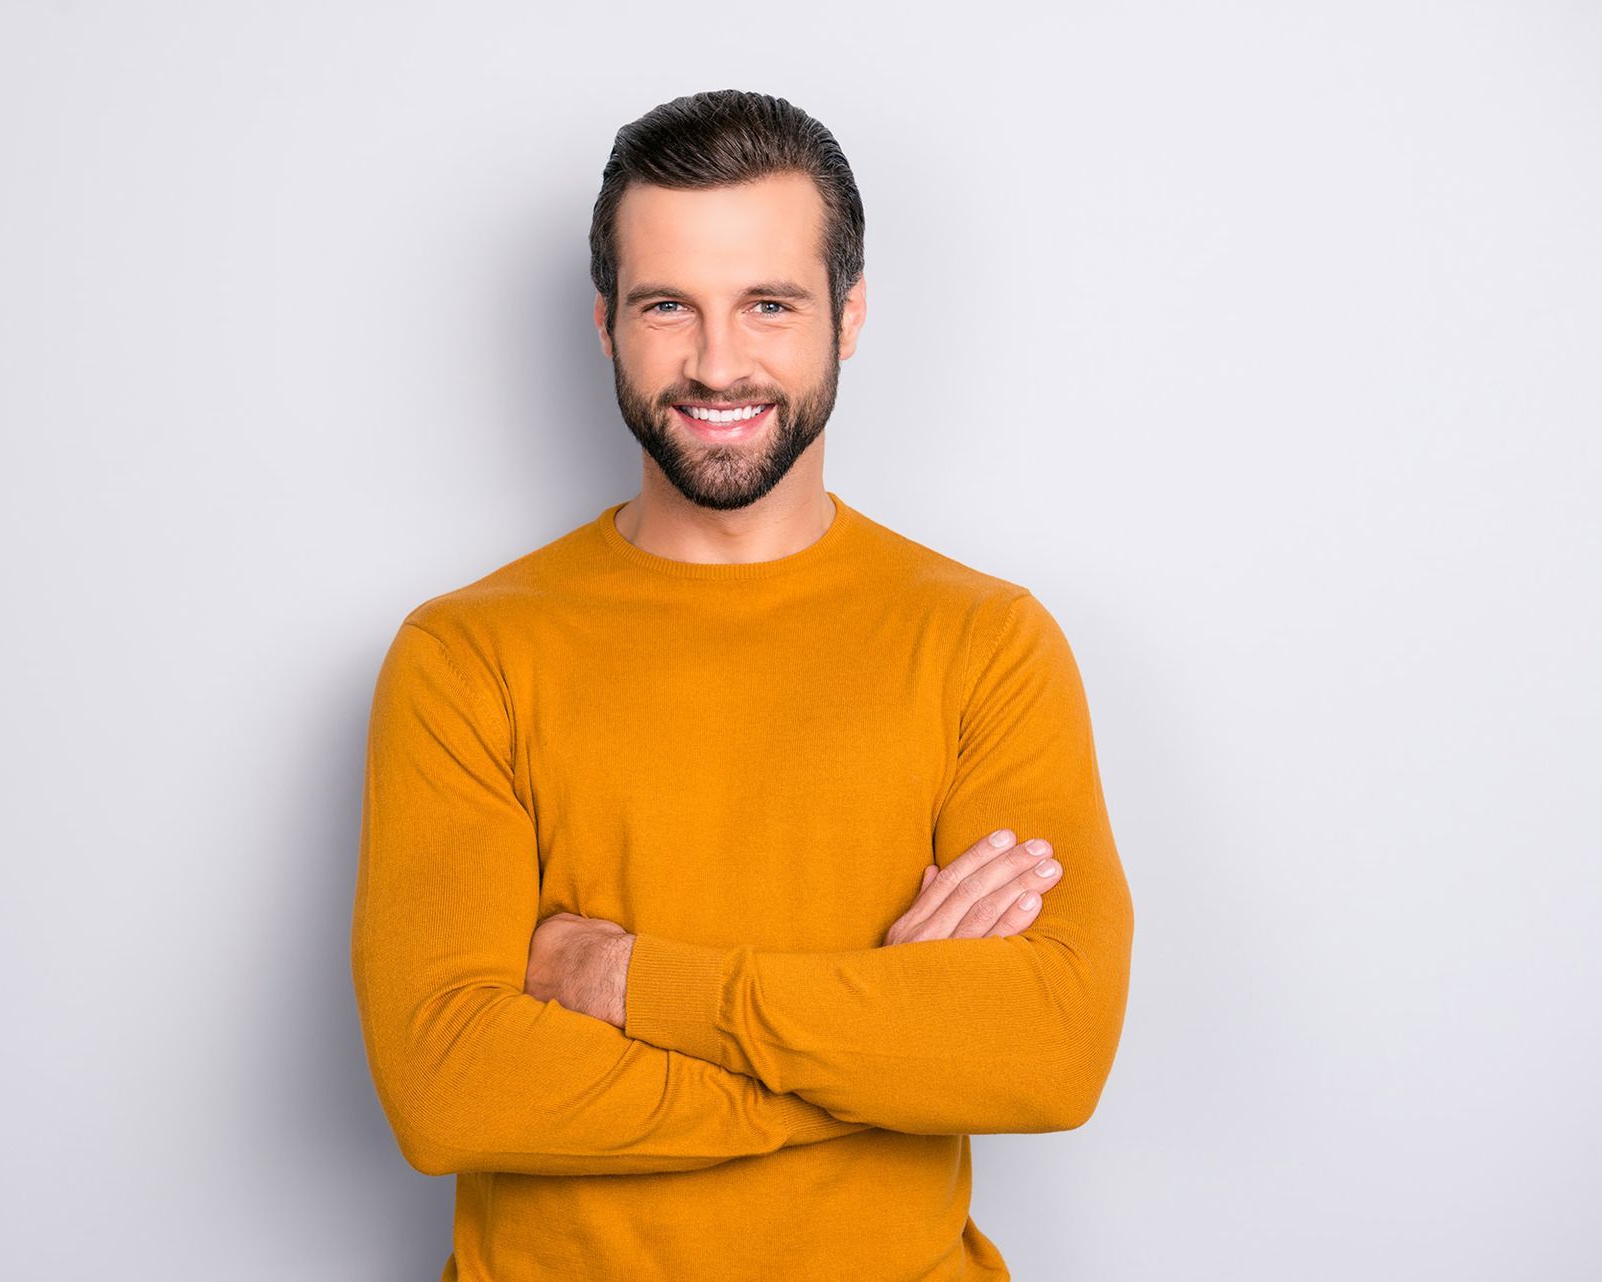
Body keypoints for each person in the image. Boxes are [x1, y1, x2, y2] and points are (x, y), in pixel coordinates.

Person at [350, 88, 1135, 1281]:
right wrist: (872, 1055)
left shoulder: (987, 641)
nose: (719, 362)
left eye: (770, 303)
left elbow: (1048, 1050)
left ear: (850, 313)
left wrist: (623, 981)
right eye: (671, 306)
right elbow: (449, 1086)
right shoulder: (468, 655)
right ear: (607, 321)